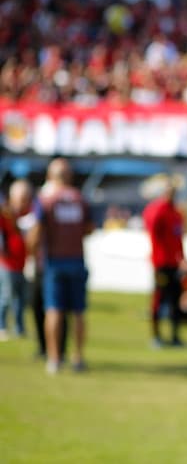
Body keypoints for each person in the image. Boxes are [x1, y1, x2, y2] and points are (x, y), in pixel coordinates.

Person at [29, 158, 94, 374]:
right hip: (77, 258)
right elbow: (89, 228)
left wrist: (31, 251)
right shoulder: (79, 199)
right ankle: (78, 357)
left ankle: (54, 358)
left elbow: (37, 231)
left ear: (50, 176)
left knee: (53, 309)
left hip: (54, 260)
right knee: (78, 311)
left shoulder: (46, 200)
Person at [142, 174, 186, 348]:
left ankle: (175, 336)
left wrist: (182, 259)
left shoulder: (176, 212)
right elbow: (152, 232)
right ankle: (156, 336)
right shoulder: (157, 210)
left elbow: (178, 238)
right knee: (159, 299)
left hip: (174, 264)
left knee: (175, 299)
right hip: (160, 263)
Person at [0, 180, 33, 341]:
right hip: (7, 262)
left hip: (22, 263)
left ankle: (20, 328)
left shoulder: (29, 213)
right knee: (6, 296)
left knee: (21, 299)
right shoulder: (5, 213)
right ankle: (2, 326)